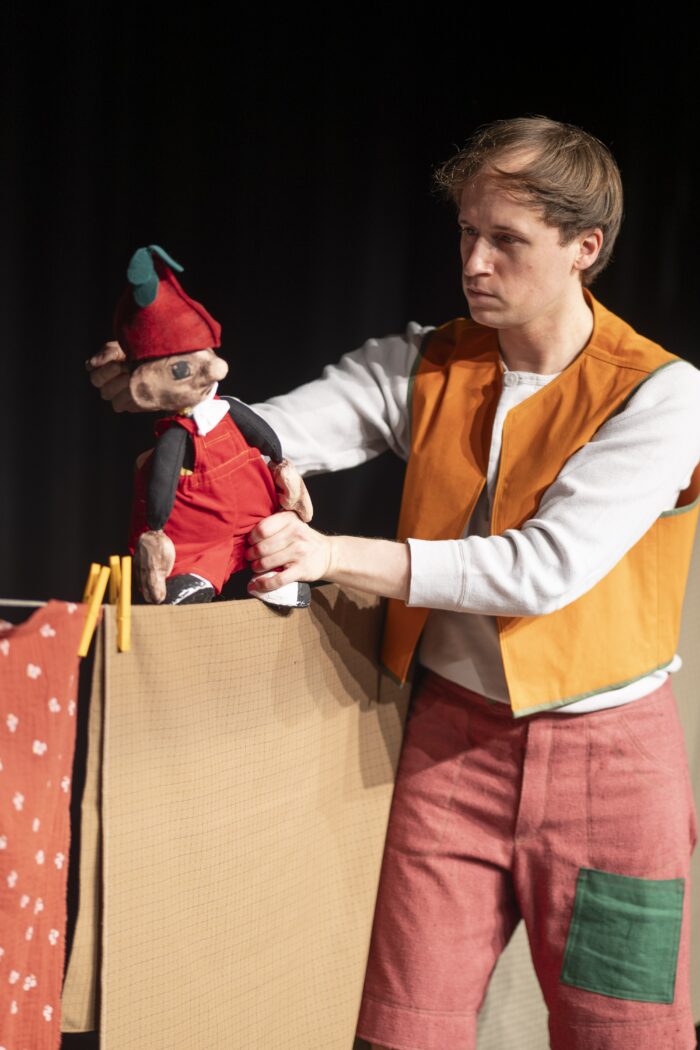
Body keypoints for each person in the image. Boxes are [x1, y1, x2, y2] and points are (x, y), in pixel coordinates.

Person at [89, 116, 700, 1050]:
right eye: (467, 232)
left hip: (610, 769)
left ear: (586, 248)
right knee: (404, 1031)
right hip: (450, 746)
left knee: (623, 1031)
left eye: (506, 240)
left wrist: (334, 555)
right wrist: (178, 393)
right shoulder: (427, 361)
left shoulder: (660, 393)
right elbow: (261, 437)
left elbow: (541, 569)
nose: (476, 262)